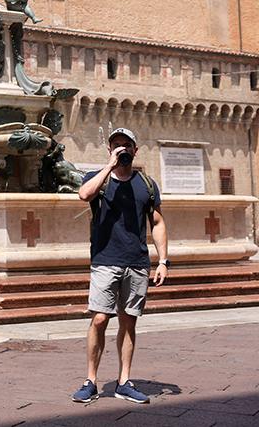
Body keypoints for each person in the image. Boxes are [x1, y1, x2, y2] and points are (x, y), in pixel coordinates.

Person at [73, 128, 168, 405]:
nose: (122, 149)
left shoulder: (146, 184)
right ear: (109, 149)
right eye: (116, 145)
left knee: (128, 321)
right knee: (100, 319)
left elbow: (158, 223)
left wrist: (163, 261)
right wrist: (110, 166)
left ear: (136, 150)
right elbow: (83, 195)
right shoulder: (97, 179)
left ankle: (124, 381)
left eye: (127, 145)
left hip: (137, 263)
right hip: (105, 260)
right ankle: (90, 380)